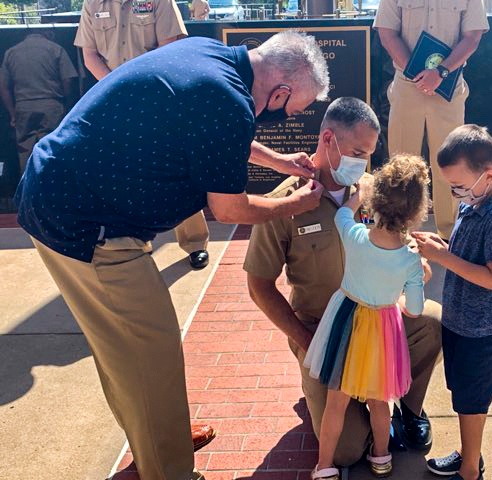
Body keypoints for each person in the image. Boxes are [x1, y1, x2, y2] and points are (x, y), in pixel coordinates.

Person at [15, 31, 329, 480]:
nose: (286, 117)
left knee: (126, 351)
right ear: (279, 92)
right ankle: (169, 468)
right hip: (87, 226)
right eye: (293, 109)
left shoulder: (209, 57)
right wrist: (293, 204)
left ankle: (162, 436)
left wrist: (277, 161)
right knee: (149, 354)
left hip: (63, 197)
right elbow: (229, 209)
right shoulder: (229, 101)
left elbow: (218, 132)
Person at [244, 97, 442, 469]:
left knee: (432, 323)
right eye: (355, 151)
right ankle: (352, 405)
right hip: (321, 330)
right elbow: (259, 286)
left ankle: (408, 411)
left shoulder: (374, 193)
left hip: (376, 321)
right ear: (328, 139)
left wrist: (415, 263)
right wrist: (308, 343)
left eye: (368, 154)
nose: (362, 163)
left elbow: (404, 241)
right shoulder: (285, 203)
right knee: (346, 453)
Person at [305, 154, 431, 480]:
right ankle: (381, 457)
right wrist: (408, 288)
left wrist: (360, 191)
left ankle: (324, 467)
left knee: (336, 403)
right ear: (416, 211)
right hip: (383, 330)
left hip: (347, 321)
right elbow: (414, 310)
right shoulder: (410, 260)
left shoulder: (357, 237)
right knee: (379, 403)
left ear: (377, 200)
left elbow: (342, 216)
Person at [412, 125, 492, 480]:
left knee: (472, 401)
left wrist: (442, 258)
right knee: (462, 394)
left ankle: (470, 470)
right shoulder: (473, 203)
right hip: (460, 321)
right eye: (450, 186)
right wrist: (442, 247)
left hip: (480, 329)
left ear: (488, 175)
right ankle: (468, 453)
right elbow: (465, 254)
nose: (456, 193)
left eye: (459, 186)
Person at [74, 0, 215, 269]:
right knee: (126, 173)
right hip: (113, 98)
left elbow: (170, 48)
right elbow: (90, 54)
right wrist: (115, 87)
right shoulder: (92, 3)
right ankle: (136, 242)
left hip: (157, 95)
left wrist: (140, 87)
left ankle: (195, 242)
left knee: (177, 170)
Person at [374, 0, 489, 240]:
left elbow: (472, 37)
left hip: (448, 86)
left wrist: (440, 73)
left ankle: (450, 234)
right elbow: (387, 34)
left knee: (452, 160)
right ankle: (398, 231)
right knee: (401, 162)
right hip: (408, 85)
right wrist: (418, 74)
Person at [0, 30, 78, 173]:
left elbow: (4, 87)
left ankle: (29, 187)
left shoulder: (11, 52)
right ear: (48, 33)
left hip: (23, 106)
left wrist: (12, 113)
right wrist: (67, 104)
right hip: (52, 105)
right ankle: (54, 187)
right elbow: (68, 80)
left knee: (25, 152)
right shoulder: (56, 49)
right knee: (53, 149)